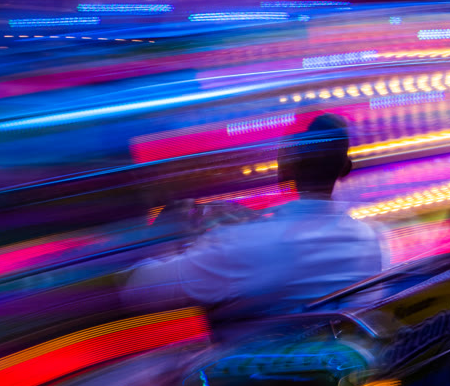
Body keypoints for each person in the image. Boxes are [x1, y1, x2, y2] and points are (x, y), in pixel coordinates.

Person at [123, 113, 384, 327]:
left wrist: (169, 227)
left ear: (286, 163)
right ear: (345, 167)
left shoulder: (242, 246)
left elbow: (136, 290)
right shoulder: (371, 240)